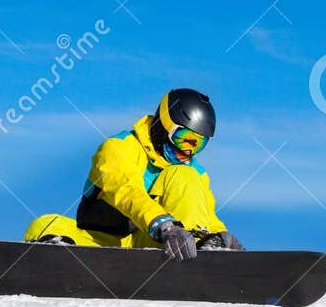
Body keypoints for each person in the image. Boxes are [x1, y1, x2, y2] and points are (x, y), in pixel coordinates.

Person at [23, 88, 244, 259]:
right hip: (104, 242)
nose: (188, 151)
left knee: (184, 176)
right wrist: (162, 225)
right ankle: (59, 260)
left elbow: (204, 214)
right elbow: (126, 191)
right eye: (185, 139)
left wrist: (219, 236)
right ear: (164, 126)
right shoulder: (119, 148)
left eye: (198, 145)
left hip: (163, 247)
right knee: (44, 224)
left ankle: (200, 253)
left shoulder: (194, 172)